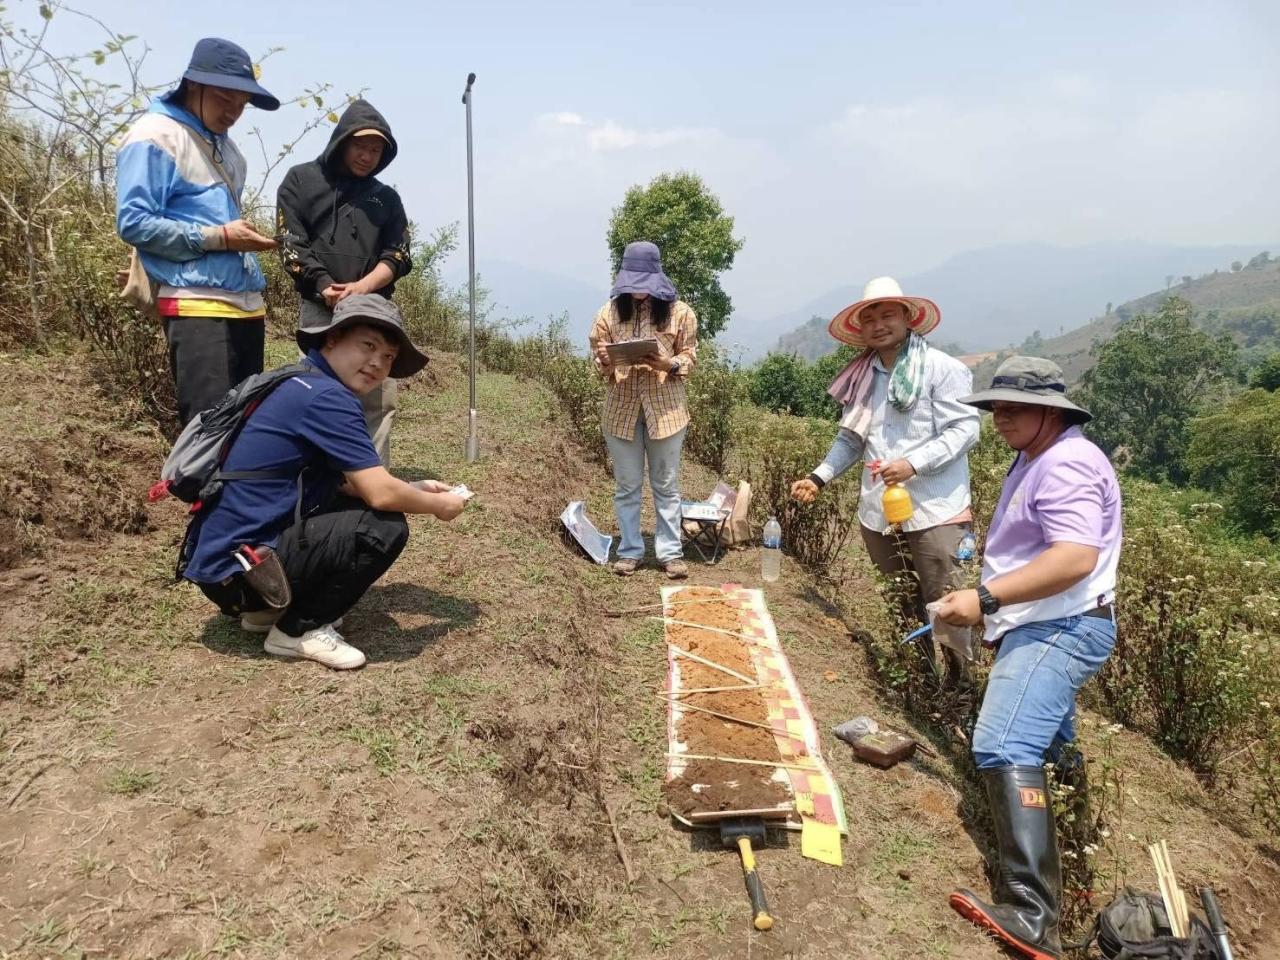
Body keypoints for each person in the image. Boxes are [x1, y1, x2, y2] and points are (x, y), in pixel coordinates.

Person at [934, 356, 1122, 960]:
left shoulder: (1065, 463)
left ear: (1052, 411)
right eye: (995, 407)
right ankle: (1074, 854)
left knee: (1005, 743)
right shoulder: (1039, 455)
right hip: (1046, 623)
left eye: (1015, 407)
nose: (1001, 418)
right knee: (1052, 747)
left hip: (1061, 628)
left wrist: (984, 598)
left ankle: (1031, 912)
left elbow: (1073, 559)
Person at [182, 295, 466, 670]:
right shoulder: (327, 399)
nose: (377, 364)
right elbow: (379, 494)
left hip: (225, 567)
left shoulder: (298, 382)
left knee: (361, 507)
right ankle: (298, 629)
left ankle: (266, 611)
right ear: (332, 339)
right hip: (241, 571)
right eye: (368, 346)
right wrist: (440, 506)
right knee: (382, 528)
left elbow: (347, 485)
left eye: (389, 357)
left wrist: (415, 490)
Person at [789, 277, 979, 684]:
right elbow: (852, 439)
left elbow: (965, 431)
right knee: (902, 600)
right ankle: (920, 678)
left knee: (946, 602)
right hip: (880, 511)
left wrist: (914, 463)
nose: (878, 325)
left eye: (888, 315)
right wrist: (817, 478)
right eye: (869, 318)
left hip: (935, 509)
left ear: (908, 318)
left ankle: (961, 689)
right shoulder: (864, 376)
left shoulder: (942, 369)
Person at [116, 38, 280, 425]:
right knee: (208, 428)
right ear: (193, 85)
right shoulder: (155, 135)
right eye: (225, 98)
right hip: (196, 303)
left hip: (244, 304)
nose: (233, 112)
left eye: (242, 104)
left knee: (245, 425)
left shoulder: (228, 148)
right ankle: (196, 488)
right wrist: (221, 237)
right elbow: (134, 222)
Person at [276, 99, 413, 466]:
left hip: (375, 312)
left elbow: (399, 255)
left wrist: (362, 289)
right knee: (314, 392)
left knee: (375, 396)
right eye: (360, 145)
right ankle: (314, 475)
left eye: (376, 149)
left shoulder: (386, 199)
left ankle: (372, 479)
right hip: (320, 309)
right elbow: (290, 244)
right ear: (341, 140)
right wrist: (324, 285)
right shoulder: (300, 181)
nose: (367, 156)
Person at [589, 241, 698, 579]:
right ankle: (631, 551)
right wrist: (605, 361)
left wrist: (669, 363)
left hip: (666, 410)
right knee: (627, 484)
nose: (638, 291)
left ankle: (670, 553)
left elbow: (691, 357)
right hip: (621, 410)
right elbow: (597, 361)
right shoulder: (608, 313)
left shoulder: (681, 312)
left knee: (666, 484)